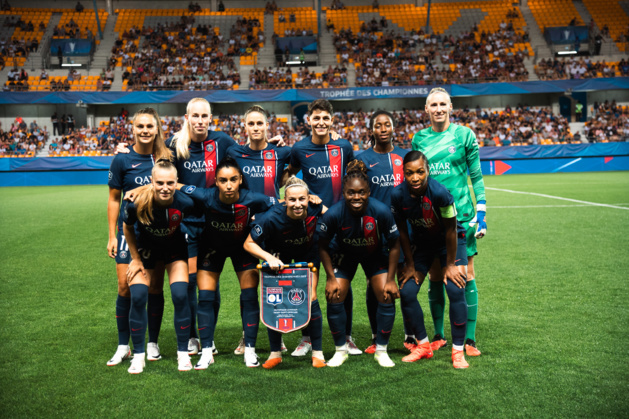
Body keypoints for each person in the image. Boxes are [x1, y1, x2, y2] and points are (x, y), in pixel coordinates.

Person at [179, 156, 276, 369]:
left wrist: (259, 221)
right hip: (212, 250)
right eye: (223, 180)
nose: (229, 185)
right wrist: (141, 189)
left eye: (233, 179)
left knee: (250, 296)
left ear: (241, 179)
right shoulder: (205, 196)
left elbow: (279, 206)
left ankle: (249, 349)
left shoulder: (254, 199)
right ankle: (206, 352)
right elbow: (175, 186)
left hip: (242, 250)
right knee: (205, 297)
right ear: (216, 181)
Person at [412, 87, 487, 357]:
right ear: (426, 109)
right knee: (435, 275)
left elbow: (476, 177)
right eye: (434, 104)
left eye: (443, 104)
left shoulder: (464, 135)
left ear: (451, 106)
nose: (439, 108)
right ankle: (439, 334)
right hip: (430, 220)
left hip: (462, 217)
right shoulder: (419, 138)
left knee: (465, 275)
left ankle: (470, 338)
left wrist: (482, 212)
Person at [286, 99, 362, 355]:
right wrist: (303, 193)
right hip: (312, 227)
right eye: (315, 118)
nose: (320, 123)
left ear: (332, 120)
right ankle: (306, 338)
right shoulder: (299, 149)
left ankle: (347, 337)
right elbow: (289, 176)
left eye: (325, 118)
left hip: (342, 225)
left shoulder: (343, 146)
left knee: (343, 282)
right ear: (308, 120)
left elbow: (354, 176)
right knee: (309, 281)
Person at [317, 160, 401, 367]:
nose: (356, 197)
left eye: (361, 192)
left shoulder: (381, 211)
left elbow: (395, 244)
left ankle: (381, 350)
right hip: (345, 255)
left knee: (386, 294)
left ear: (369, 192)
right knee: (335, 294)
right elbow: (322, 246)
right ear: (344, 193)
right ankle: (340, 351)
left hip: (374, 254)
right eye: (351, 193)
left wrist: (391, 280)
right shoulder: (334, 214)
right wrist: (330, 277)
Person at [106, 108, 172, 367]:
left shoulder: (167, 157)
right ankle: (124, 345)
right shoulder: (122, 160)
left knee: (155, 287)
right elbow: (113, 199)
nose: (145, 131)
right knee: (124, 286)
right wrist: (112, 235)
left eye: (149, 126)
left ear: (157, 129)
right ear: (132, 129)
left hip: (157, 234)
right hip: (129, 233)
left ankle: (152, 343)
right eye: (140, 126)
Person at [391, 150, 470, 369]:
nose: (415, 178)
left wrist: (451, 265)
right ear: (403, 174)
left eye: (420, 172)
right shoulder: (397, 196)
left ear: (428, 171)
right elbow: (403, 233)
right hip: (423, 244)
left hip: (450, 242)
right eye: (409, 173)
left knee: (455, 289)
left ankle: (457, 351)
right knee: (407, 292)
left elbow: (451, 229)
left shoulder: (441, 193)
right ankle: (424, 346)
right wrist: (409, 264)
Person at [244, 176, 327, 368]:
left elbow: (333, 216)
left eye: (302, 199)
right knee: (276, 301)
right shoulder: (271, 217)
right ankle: (275, 353)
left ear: (308, 198)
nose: (297, 204)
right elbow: (248, 243)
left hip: (308, 256)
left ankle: (318, 353)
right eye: (292, 200)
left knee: (312, 298)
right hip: (279, 259)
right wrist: (269, 258)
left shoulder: (315, 207)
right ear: (284, 200)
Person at [123, 160, 195, 374]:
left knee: (181, 295)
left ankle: (183, 354)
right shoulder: (136, 204)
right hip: (145, 252)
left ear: (176, 183)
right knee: (137, 297)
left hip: (175, 251)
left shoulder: (186, 203)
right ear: (151, 182)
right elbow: (127, 230)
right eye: (160, 182)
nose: (165, 187)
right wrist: (135, 259)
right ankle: (138, 355)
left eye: (170, 183)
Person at [356, 110, 415, 354]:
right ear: (371, 130)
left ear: (393, 129)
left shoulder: (405, 157)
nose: (382, 128)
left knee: (406, 281)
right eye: (378, 125)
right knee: (374, 283)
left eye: (387, 124)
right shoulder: (362, 160)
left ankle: (410, 335)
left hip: (406, 230)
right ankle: (375, 334)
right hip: (374, 233)